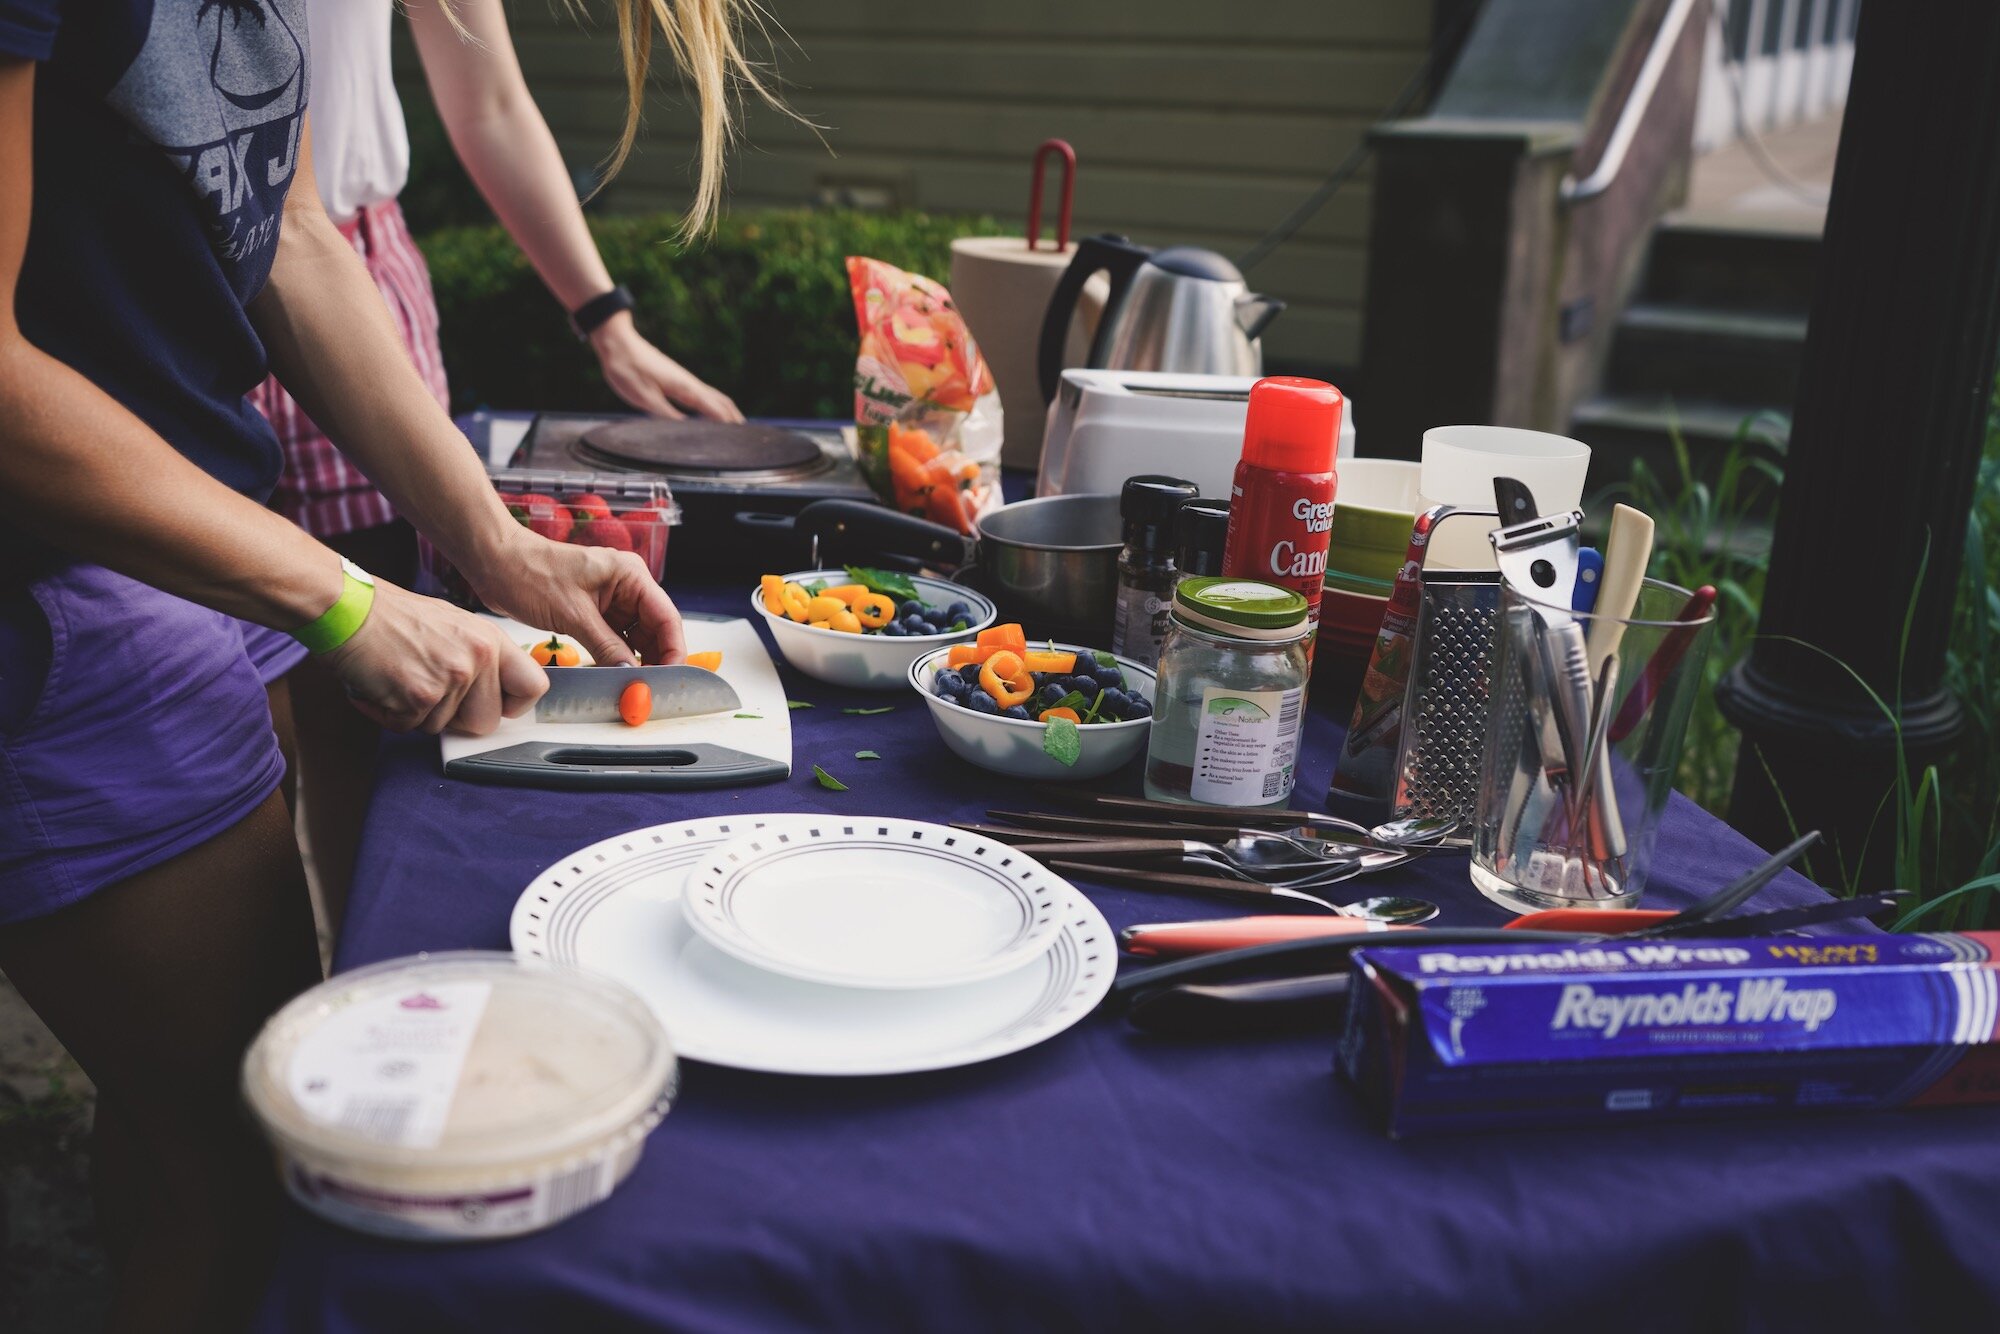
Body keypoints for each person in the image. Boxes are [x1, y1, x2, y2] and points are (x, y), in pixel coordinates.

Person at [0, 1, 770, 1328]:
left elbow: (291, 234)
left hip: (193, 511)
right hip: (64, 575)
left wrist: (496, 543)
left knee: (180, 1122)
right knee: (253, 1161)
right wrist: (348, 601)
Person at [257, 0, 743, 925]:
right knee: (242, 723)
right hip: (185, 283)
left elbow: (487, 100)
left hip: (338, 262)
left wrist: (607, 317)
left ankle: (362, 953)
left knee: (358, 709)